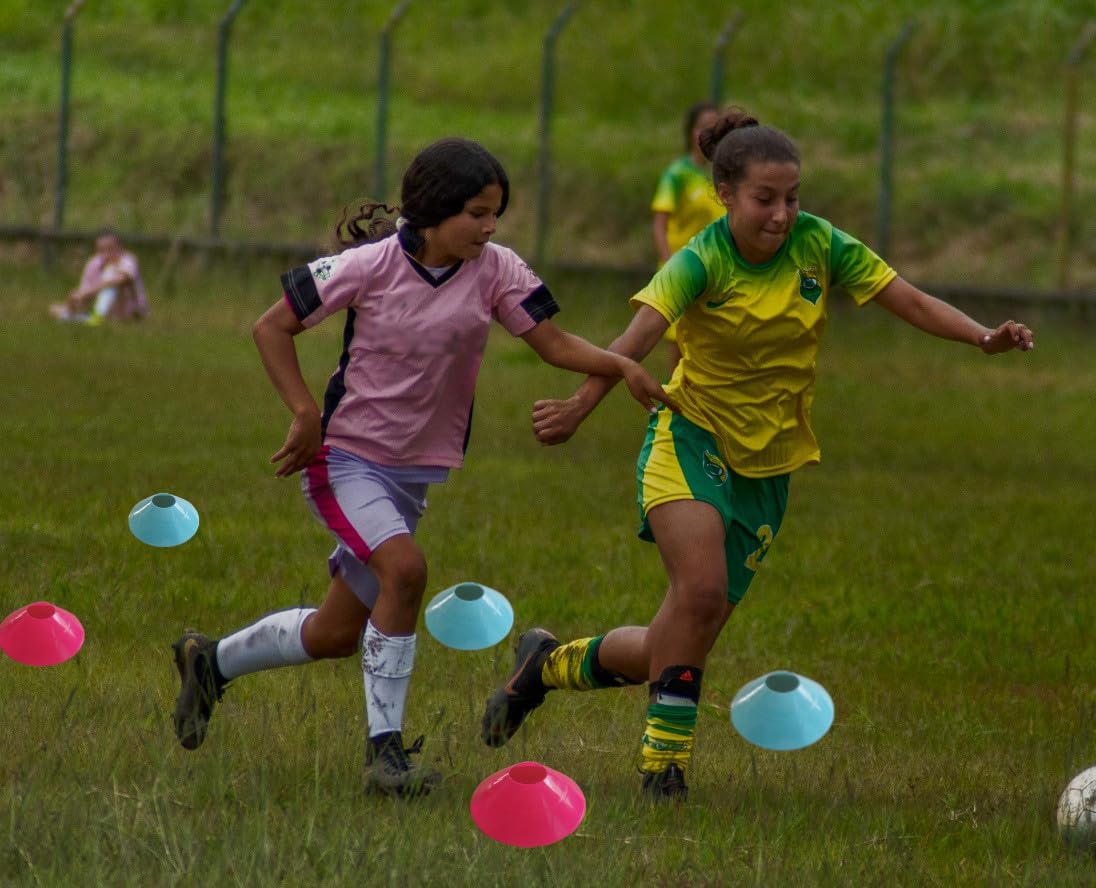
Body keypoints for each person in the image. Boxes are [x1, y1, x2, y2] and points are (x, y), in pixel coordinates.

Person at [480, 110, 1035, 802]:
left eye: (792, 197)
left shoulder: (820, 243)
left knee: (673, 641)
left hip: (770, 467)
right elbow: (635, 339)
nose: (781, 214)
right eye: (764, 199)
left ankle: (546, 666)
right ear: (725, 193)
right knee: (702, 592)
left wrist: (983, 337)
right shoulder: (701, 259)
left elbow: (910, 300)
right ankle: (664, 770)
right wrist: (577, 408)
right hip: (690, 437)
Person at [168, 137, 674, 799]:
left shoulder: (496, 270)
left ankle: (211, 663)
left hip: (412, 475)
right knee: (406, 571)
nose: (490, 226)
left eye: (497, 212)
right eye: (476, 212)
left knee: (335, 634)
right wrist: (303, 412)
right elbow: (272, 327)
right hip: (345, 460)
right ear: (433, 211)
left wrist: (622, 365)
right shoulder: (369, 266)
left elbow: (551, 343)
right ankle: (385, 755)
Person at [650, 100, 724, 372]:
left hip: (716, 270)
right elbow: (660, 223)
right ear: (691, 133)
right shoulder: (677, 174)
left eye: (715, 128)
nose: (709, 133)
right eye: (703, 127)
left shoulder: (724, 175)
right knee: (680, 345)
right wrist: (670, 264)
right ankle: (674, 403)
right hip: (682, 268)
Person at [48, 229, 148, 324]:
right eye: (102, 250)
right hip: (107, 313)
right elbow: (85, 297)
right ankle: (88, 316)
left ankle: (98, 317)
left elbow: (122, 279)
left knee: (111, 274)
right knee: (56, 310)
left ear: (120, 248)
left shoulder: (127, 260)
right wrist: (74, 303)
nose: (107, 254)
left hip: (132, 313)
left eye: (111, 249)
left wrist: (88, 291)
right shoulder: (94, 264)